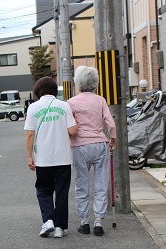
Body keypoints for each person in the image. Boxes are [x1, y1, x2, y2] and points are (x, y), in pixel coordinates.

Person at [24, 77, 78, 238]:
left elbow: (29, 134)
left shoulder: (33, 108)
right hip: (63, 157)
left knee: (43, 190)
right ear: (55, 91)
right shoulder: (64, 106)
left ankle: (48, 221)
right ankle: (60, 228)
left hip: (43, 158)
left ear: (38, 92)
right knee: (61, 192)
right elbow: (73, 131)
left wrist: (29, 156)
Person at [67, 66, 117, 236]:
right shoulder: (100, 100)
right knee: (101, 183)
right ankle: (99, 222)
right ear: (95, 82)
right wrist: (112, 140)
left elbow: (68, 126)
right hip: (100, 144)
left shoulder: (71, 102)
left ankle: (84, 222)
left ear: (77, 82)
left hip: (80, 146)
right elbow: (111, 124)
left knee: (82, 183)